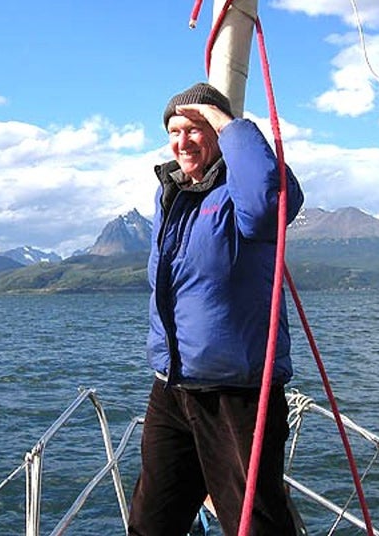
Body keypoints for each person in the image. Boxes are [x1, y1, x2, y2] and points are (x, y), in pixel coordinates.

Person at [128, 82, 305, 535]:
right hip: (172, 386)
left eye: (194, 128)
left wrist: (231, 125)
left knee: (255, 524)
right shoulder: (171, 195)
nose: (182, 141)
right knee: (151, 521)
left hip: (236, 393)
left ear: (218, 132)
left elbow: (269, 206)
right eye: (174, 130)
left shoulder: (240, 192)